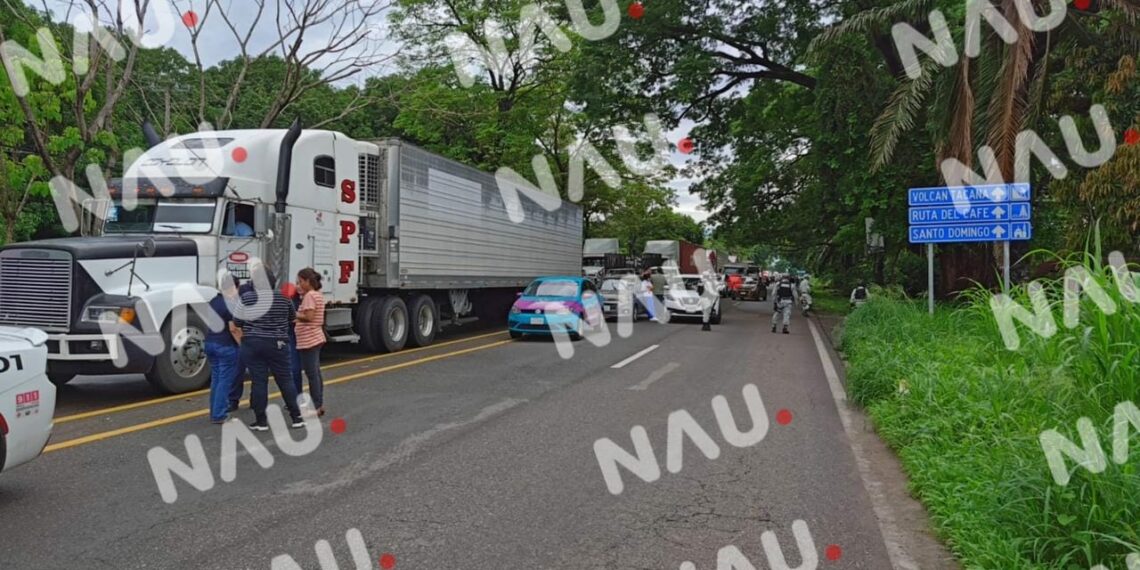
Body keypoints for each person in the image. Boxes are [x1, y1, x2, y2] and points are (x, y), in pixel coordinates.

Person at [233, 265, 304, 431]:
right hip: (278, 343)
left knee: (259, 382)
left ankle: (261, 421)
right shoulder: (284, 297)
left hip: (252, 343)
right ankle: (296, 417)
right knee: (285, 380)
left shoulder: (247, 298)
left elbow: (237, 322)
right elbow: (292, 317)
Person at [206, 273, 242, 424]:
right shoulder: (230, 304)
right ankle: (220, 414)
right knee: (225, 381)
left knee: (216, 379)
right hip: (225, 345)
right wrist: (242, 345)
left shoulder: (213, 301)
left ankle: (215, 411)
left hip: (210, 342)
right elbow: (233, 329)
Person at [295, 268, 327, 417]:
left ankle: (316, 406)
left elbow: (309, 316)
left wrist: (293, 314)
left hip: (309, 339)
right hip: (315, 337)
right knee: (315, 373)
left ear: (308, 281)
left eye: (300, 281)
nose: (299, 285)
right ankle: (319, 404)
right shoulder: (317, 294)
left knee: (312, 374)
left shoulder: (309, 296)